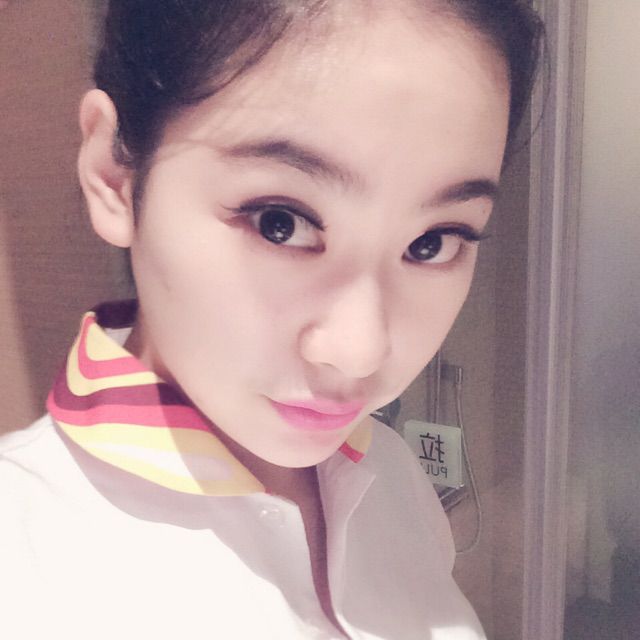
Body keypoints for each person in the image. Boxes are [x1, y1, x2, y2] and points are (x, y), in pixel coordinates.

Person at [0, 1, 542, 638]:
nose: (360, 351)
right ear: (115, 174)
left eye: (434, 242)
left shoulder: (390, 474)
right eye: (279, 222)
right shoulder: (23, 560)